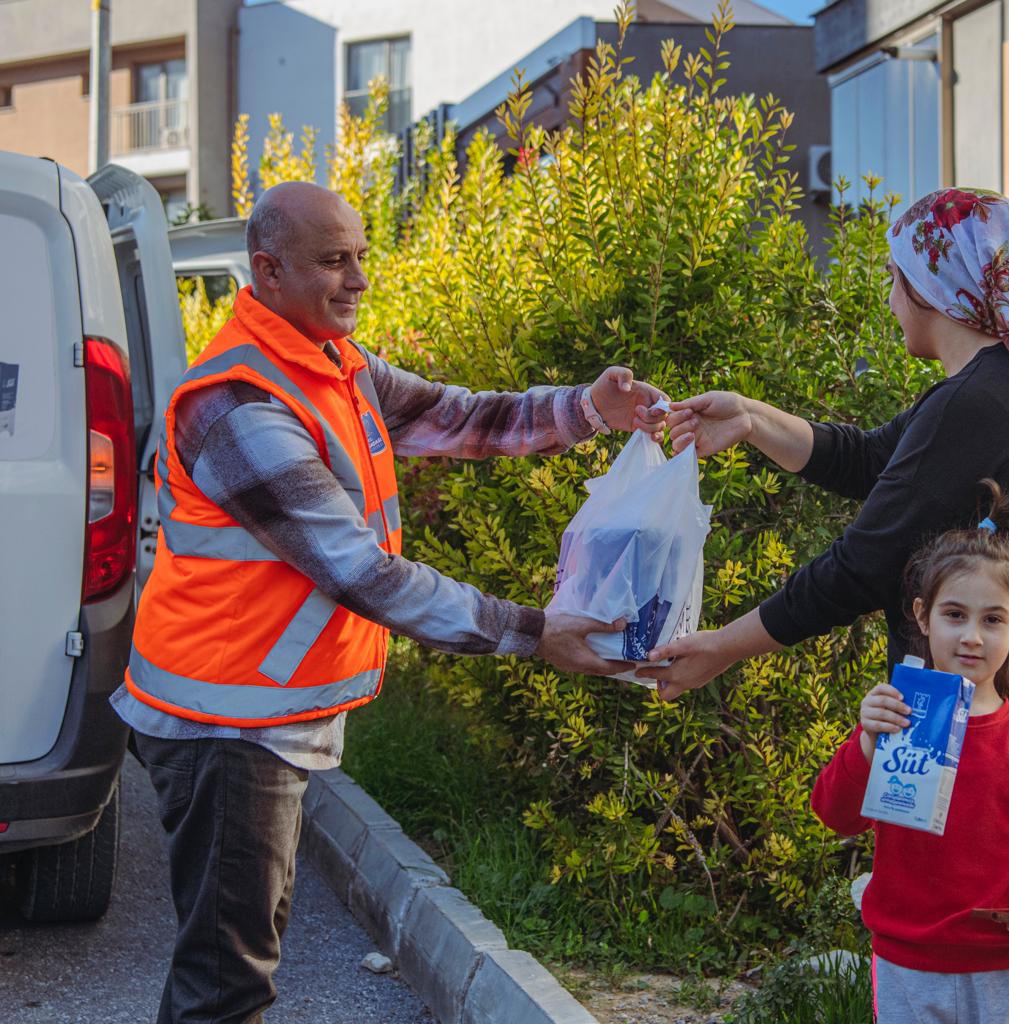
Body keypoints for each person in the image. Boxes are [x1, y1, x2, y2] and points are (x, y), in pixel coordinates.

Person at [110, 180, 667, 1024]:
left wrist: (588, 409)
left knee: (237, 961)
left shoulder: (333, 365)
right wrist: (531, 632)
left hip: (259, 714)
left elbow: (463, 419)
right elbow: (361, 573)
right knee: (226, 982)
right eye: (334, 262)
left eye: (361, 257)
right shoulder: (238, 403)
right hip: (225, 725)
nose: (359, 280)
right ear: (267, 268)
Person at [640, 188, 1009, 1023]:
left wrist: (720, 646)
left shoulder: (985, 399)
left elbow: (861, 566)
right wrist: (755, 419)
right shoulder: (1006, 383)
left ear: (937, 287)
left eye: (896, 278)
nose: (889, 297)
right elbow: (877, 460)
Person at [810, 481, 1009, 1024]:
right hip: (905, 964)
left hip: (1005, 967)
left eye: (993, 619)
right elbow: (835, 815)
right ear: (922, 616)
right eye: (954, 614)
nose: (972, 635)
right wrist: (867, 744)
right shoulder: (895, 719)